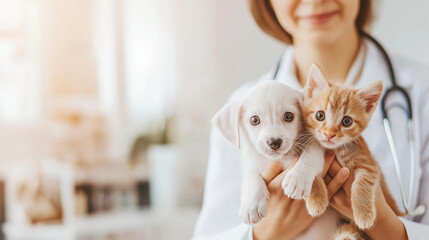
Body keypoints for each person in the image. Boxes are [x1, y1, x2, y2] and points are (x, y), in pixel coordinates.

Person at [193, 0, 429, 239]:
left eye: (287, 117)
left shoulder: (422, 91)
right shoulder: (238, 112)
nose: (316, 1)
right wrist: (263, 232)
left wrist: (388, 227)